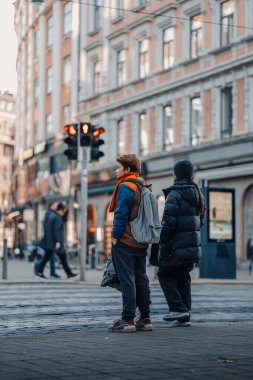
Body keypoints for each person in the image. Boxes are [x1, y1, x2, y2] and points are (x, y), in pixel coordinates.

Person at [157, 160, 205, 327]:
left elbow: (168, 222)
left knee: (164, 274)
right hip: (191, 247)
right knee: (183, 276)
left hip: (175, 246)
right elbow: (201, 222)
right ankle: (184, 315)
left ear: (176, 174)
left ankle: (178, 308)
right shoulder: (197, 193)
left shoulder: (175, 194)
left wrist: (161, 240)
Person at [108, 154, 152, 333]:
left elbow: (121, 214)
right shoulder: (143, 185)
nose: (116, 170)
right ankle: (146, 318)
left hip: (126, 240)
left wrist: (115, 235)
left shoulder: (126, 186)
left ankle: (128, 319)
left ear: (127, 169)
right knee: (141, 278)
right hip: (141, 241)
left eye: (118, 167)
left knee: (127, 279)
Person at [35, 203, 78, 279]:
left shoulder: (54, 216)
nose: (65, 212)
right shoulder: (57, 217)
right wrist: (58, 242)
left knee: (49, 258)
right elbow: (57, 230)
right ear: (62, 210)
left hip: (51, 243)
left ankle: (39, 272)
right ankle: (39, 272)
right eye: (65, 210)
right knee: (59, 258)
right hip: (54, 243)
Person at [34, 201, 61, 278]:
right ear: (51, 206)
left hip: (50, 240)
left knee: (51, 256)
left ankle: (52, 272)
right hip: (49, 240)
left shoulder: (52, 214)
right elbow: (48, 228)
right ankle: (38, 266)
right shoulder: (49, 214)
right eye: (55, 205)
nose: (57, 207)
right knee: (48, 256)